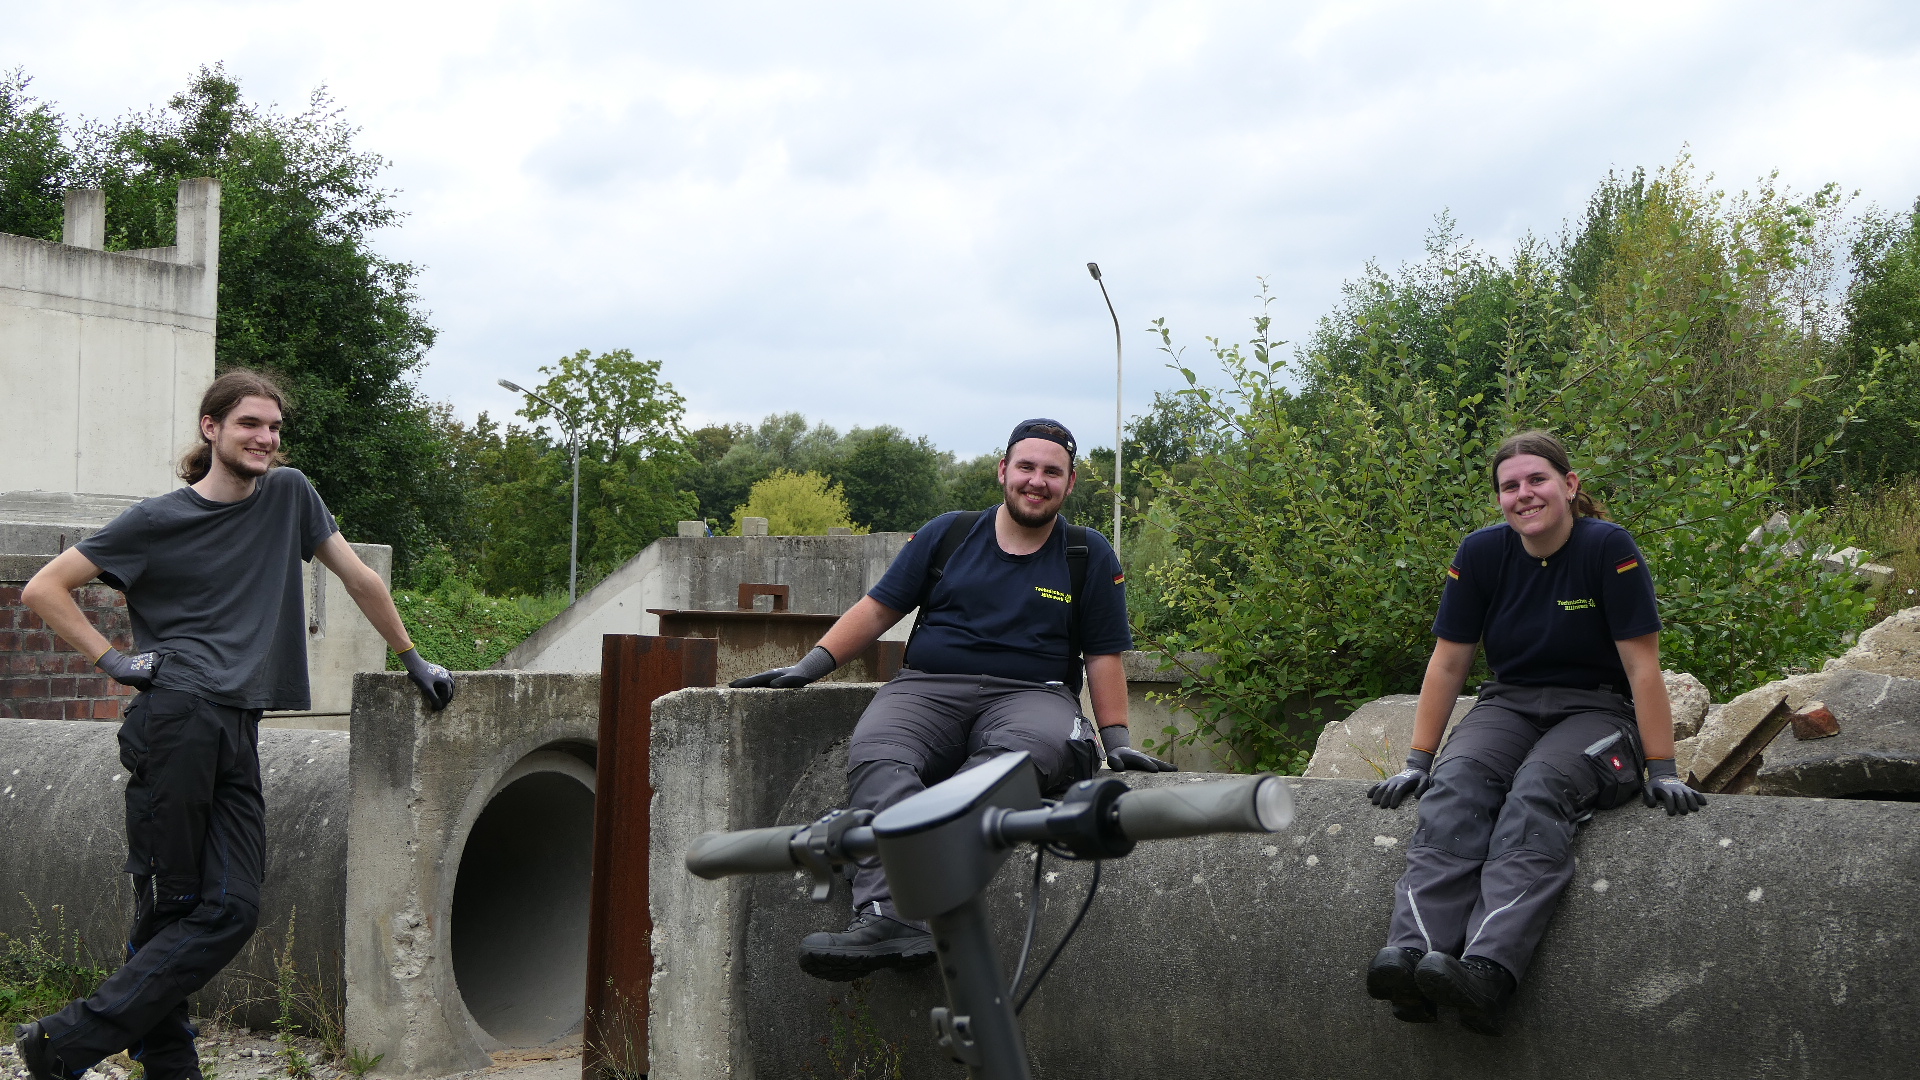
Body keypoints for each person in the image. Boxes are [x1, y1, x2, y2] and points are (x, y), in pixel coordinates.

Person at [14, 371, 456, 1080]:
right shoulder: (156, 519)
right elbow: (45, 587)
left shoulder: (290, 494)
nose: (267, 439)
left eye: (275, 428)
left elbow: (359, 578)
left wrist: (413, 656)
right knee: (177, 900)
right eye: (251, 424)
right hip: (177, 717)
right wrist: (114, 661)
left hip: (237, 721)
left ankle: (68, 1044)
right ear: (211, 428)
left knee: (229, 906)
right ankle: (152, 1062)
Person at [731, 418, 1174, 980]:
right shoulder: (948, 534)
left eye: (1051, 472)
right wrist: (808, 666)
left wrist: (1117, 741)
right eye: (1026, 468)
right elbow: (878, 608)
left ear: (1070, 482)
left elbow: (1104, 655)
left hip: (1032, 697)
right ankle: (890, 920)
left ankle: (913, 889)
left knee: (1003, 769)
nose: (1037, 481)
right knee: (879, 752)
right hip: (927, 687)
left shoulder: (1088, 553)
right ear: (1003, 471)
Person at [1364, 429, 1708, 1036]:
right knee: (1458, 783)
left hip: (1597, 714)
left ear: (1569, 486)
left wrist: (1664, 769)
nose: (1524, 494)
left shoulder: (1608, 548)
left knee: (1537, 792)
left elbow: (1642, 666)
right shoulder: (1480, 554)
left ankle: (1488, 970)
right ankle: (1413, 959)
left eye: (1537, 480)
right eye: (1509, 486)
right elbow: (1449, 662)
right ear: (1499, 498)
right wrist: (1419, 761)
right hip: (1509, 704)